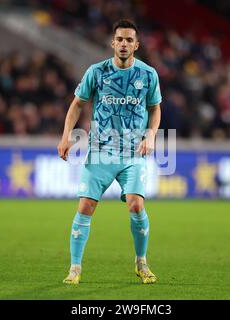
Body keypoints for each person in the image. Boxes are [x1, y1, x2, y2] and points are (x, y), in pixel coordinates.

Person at [57, 19, 162, 284]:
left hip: (132, 153)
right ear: (112, 43)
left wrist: (150, 134)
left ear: (136, 45)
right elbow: (77, 104)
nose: (124, 44)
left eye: (129, 40)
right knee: (85, 206)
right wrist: (66, 136)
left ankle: (141, 262)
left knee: (136, 205)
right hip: (101, 151)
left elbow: (155, 108)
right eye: (120, 39)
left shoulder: (148, 74)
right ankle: (75, 269)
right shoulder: (97, 72)